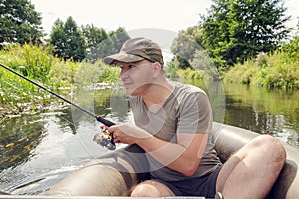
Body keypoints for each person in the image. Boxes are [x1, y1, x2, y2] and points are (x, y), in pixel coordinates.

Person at [103, 37, 286, 199]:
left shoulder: (191, 97)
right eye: (121, 68)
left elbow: (188, 165)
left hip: (210, 181)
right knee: (143, 193)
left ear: (155, 69)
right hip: (166, 186)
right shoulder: (136, 98)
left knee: (270, 146)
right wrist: (122, 133)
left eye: (131, 67)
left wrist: (138, 136)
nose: (122, 76)